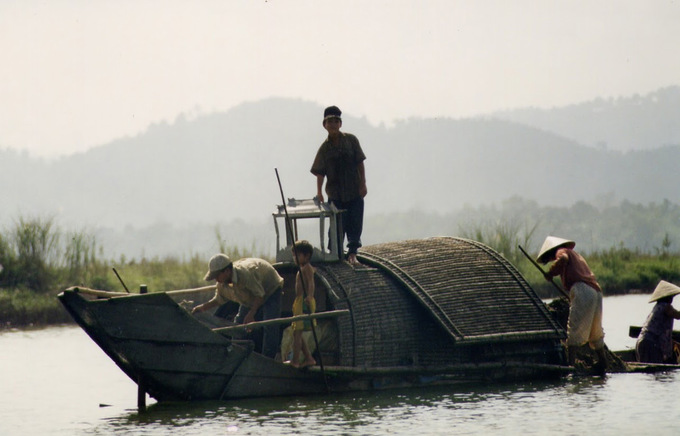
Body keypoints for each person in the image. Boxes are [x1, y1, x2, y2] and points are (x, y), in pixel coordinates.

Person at [192, 254, 284, 359]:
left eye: (217, 276)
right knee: (239, 324)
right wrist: (202, 307)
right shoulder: (222, 283)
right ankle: (237, 356)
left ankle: (268, 360)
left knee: (270, 324)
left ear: (227, 271)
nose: (216, 279)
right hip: (249, 297)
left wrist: (251, 314)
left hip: (270, 288)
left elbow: (260, 295)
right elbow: (219, 299)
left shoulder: (245, 274)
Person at [537, 236, 607, 373]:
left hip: (582, 289)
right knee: (595, 331)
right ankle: (603, 362)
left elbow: (562, 260)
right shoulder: (575, 254)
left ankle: (571, 366)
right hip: (596, 292)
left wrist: (551, 273)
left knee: (573, 328)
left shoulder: (561, 251)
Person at [311, 105, 367, 265]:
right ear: (324, 125)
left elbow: (360, 163)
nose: (333, 124)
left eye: (336, 121)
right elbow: (320, 173)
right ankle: (335, 254)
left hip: (354, 191)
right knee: (336, 226)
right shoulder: (324, 148)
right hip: (335, 194)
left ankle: (352, 253)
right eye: (330, 122)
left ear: (340, 124)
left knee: (355, 222)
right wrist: (319, 192)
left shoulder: (351, 140)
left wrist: (363, 184)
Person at [286, 240, 317, 368]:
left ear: (307, 256)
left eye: (298, 255)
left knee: (297, 333)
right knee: (296, 332)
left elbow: (311, 283)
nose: (295, 258)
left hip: (304, 301)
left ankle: (296, 361)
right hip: (299, 301)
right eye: (294, 255)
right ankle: (309, 358)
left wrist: (309, 296)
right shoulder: (302, 268)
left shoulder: (308, 268)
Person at [636, 280, 680, 364]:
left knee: (648, 372)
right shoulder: (666, 307)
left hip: (643, 342)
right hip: (650, 344)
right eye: (671, 296)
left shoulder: (657, 307)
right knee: (654, 370)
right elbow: (677, 315)